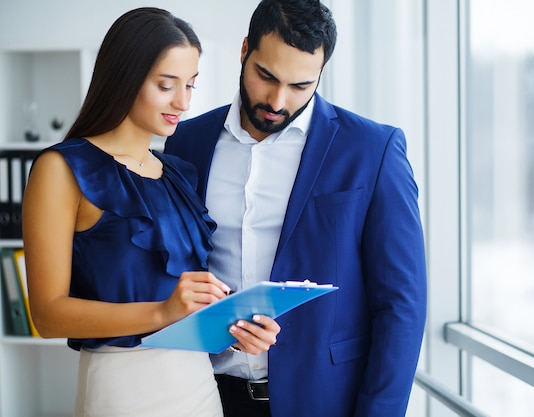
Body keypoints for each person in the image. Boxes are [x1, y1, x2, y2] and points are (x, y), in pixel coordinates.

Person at [165, 0, 427, 416]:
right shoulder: (185, 143)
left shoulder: (372, 150)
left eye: (301, 86)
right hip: (204, 395)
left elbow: (402, 306)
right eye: (265, 76)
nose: (277, 100)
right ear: (244, 50)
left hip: (324, 400)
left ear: (320, 74)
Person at [21, 7, 279, 417]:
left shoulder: (177, 173)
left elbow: (184, 301)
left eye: (191, 85)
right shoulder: (62, 169)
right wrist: (163, 312)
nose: (183, 101)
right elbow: (48, 314)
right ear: (124, 76)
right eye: (166, 85)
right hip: (122, 389)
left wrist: (234, 326)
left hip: (198, 386)